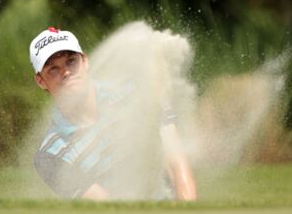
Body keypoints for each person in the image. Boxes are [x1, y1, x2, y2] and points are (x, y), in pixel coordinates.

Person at [29, 26, 197, 200]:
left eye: (71, 61)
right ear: (40, 81)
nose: (65, 72)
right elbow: (109, 206)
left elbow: (178, 168)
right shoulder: (49, 158)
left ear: (85, 61)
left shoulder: (138, 94)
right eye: (53, 69)